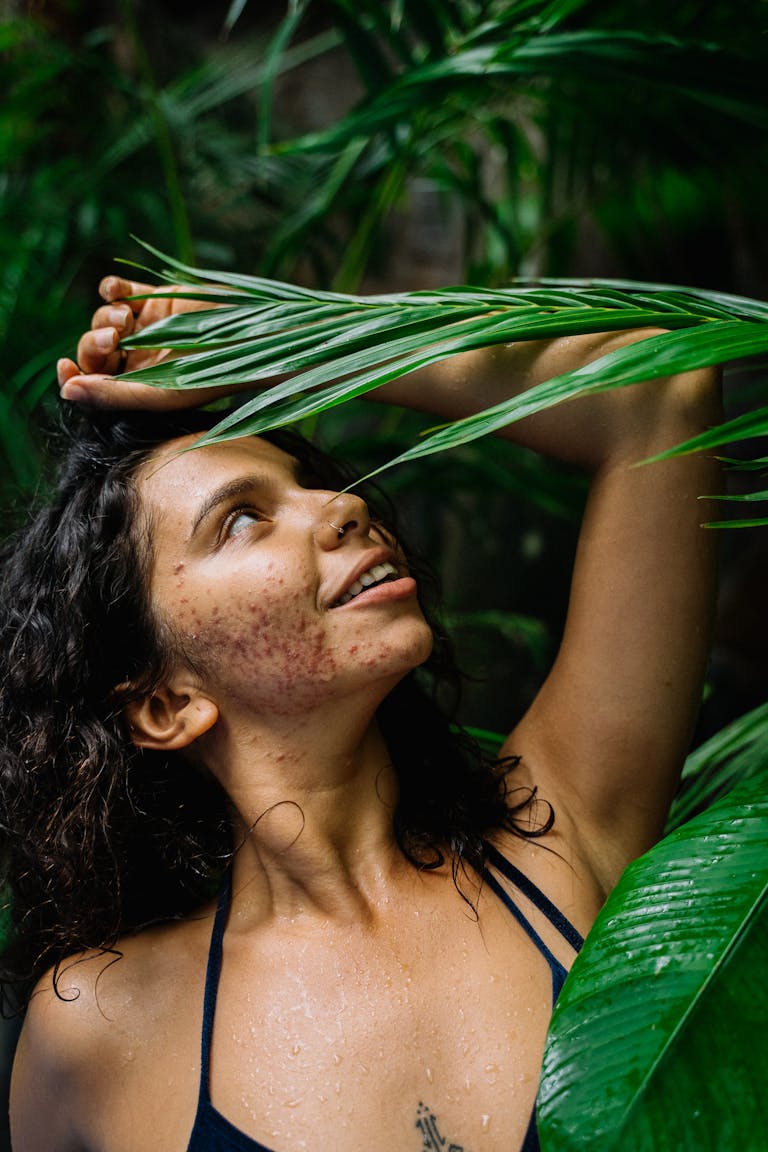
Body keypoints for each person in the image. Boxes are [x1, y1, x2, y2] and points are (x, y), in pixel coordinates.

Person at [3, 275, 721, 1152]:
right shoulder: (96, 1031)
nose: (343, 504)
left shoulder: (563, 837)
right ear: (166, 703)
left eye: (308, 482)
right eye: (239, 522)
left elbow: (657, 384)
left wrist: (273, 341)